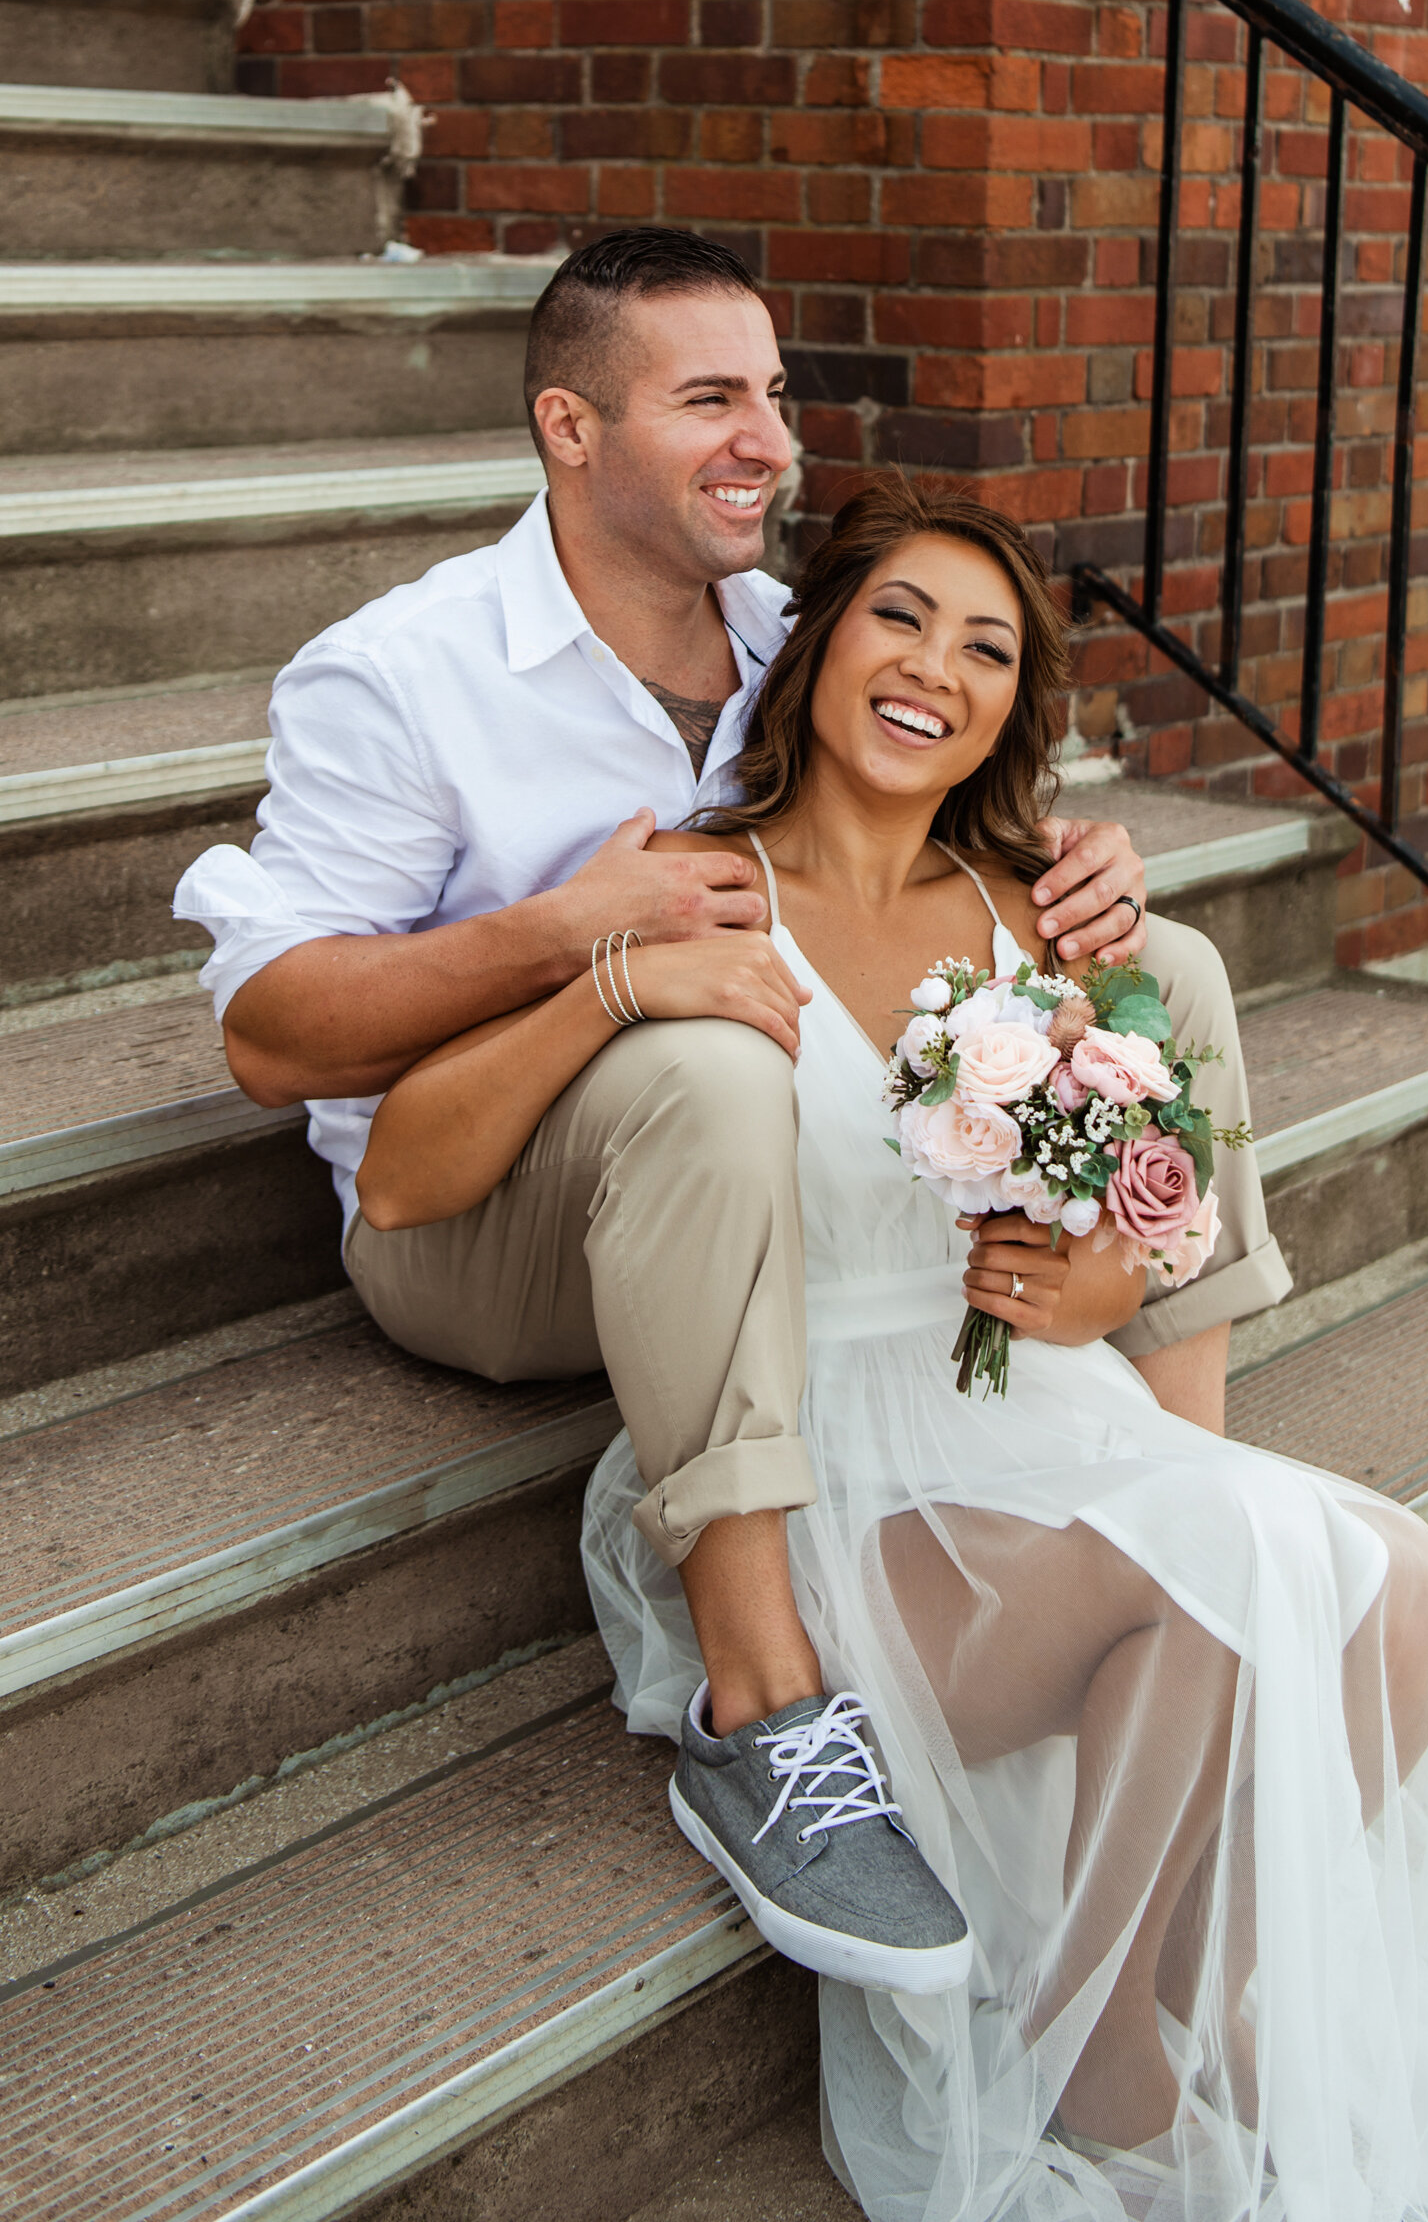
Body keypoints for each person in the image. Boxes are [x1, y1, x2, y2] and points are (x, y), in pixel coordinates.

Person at [357, 475, 1428, 2220]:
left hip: (1038, 1425)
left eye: (988, 647)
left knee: (1391, 1580)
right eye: (897, 618)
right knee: (1235, 1570)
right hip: (824, 1472)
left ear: (1017, 708)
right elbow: (409, 1172)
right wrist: (610, 983)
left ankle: (1172, 1997)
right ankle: (1092, 2064)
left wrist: (1092, 1289)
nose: (936, 665)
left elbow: (1122, 1238)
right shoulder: (689, 884)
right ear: (812, 650)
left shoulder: (1048, 927)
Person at [174, 226, 1167, 1993]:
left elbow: (932, 855)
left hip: (760, 1203)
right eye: (709, 400)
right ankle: (763, 1713)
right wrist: (569, 934)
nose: (767, 445)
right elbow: (273, 1034)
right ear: (569, 426)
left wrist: (1080, 876)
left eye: (772, 399)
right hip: (485, 1220)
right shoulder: (404, 673)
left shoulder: (801, 633)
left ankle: (1187, 1470)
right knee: (707, 1058)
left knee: (1167, 980)